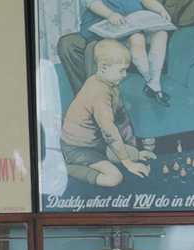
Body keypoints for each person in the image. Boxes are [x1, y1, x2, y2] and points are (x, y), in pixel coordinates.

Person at [61, 40, 153, 189]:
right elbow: (109, 131)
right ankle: (66, 167)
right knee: (114, 178)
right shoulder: (99, 93)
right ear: (103, 67)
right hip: (77, 148)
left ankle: (104, 160)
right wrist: (128, 164)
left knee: (134, 154)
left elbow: (122, 118)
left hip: (98, 143)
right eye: (121, 70)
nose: (124, 75)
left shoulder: (111, 84)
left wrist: (132, 150)